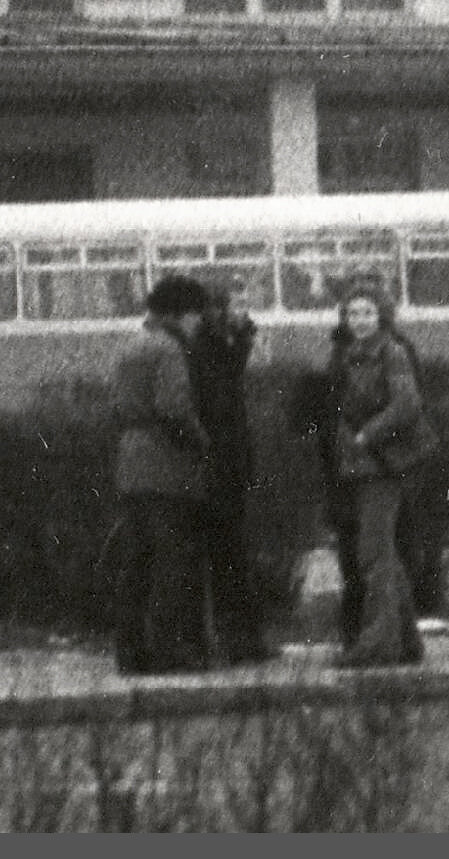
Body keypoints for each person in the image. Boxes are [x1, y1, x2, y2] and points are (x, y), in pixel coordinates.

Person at [322, 279, 436, 669]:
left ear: (382, 316)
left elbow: (407, 404)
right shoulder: (348, 355)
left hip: (384, 464)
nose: (360, 321)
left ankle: (379, 644)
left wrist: (366, 434)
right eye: (352, 313)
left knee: (374, 553)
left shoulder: (393, 353)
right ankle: (405, 641)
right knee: (382, 551)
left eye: (367, 313)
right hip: (365, 464)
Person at [109, 274, 214, 676]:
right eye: (195, 316)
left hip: (130, 465)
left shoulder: (131, 345)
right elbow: (174, 408)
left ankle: (131, 653)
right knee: (172, 562)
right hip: (166, 468)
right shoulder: (170, 349)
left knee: (137, 563)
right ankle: (170, 652)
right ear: (181, 314)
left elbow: (116, 407)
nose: (199, 324)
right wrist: (203, 442)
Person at [191, 280, 273, 666]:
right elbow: (221, 392)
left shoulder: (218, 344)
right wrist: (243, 342)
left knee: (233, 553)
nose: (245, 312)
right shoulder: (209, 347)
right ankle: (238, 640)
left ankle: (242, 637)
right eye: (237, 304)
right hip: (220, 463)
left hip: (230, 462)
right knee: (229, 554)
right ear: (219, 308)